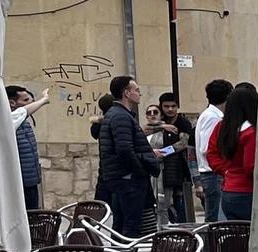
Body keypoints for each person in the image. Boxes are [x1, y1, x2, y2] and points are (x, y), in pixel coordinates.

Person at [95, 76, 160, 237]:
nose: (139, 93)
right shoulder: (120, 116)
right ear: (126, 93)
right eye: (136, 90)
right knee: (131, 227)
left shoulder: (117, 114)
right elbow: (124, 149)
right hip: (128, 181)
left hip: (122, 179)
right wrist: (139, 171)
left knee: (122, 225)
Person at [209, 82, 258, 222]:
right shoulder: (250, 132)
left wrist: (225, 171)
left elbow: (212, 153)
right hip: (247, 190)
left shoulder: (223, 127)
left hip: (229, 188)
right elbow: (251, 167)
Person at [152, 92, 196, 225]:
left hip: (180, 170)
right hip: (161, 171)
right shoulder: (160, 121)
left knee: (181, 205)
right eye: (166, 106)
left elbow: (182, 144)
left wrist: (163, 152)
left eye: (173, 106)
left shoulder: (183, 123)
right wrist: (161, 125)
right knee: (162, 205)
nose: (170, 109)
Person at [192, 79, 231, 222]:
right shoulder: (213, 118)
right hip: (213, 173)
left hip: (212, 173)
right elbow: (207, 148)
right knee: (215, 217)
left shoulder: (210, 115)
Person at [6, 85, 50, 212]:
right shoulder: (9, 122)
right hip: (18, 184)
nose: (30, 104)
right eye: (25, 101)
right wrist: (43, 100)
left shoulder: (25, 123)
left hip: (31, 180)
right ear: (12, 103)